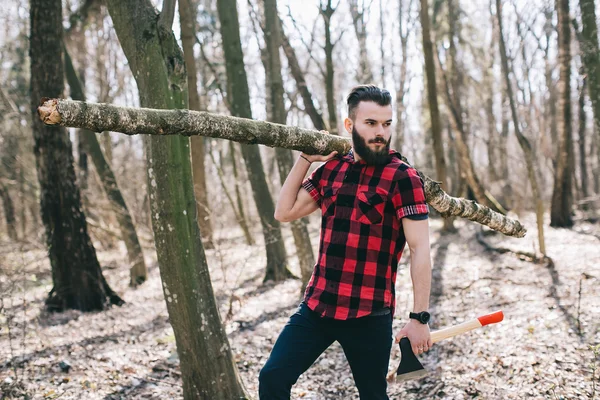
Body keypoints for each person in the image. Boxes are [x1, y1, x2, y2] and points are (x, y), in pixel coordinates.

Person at [259, 85, 433, 399]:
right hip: (317, 307)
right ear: (349, 126)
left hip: (369, 314)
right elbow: (283, 212)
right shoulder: (333, 170)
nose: (381, 132)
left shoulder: (403, 177)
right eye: (371, 123)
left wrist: (419, 318)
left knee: (372, 395)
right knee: (272, 378)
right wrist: (305, 159)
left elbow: (421, 249)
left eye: (387, 124)